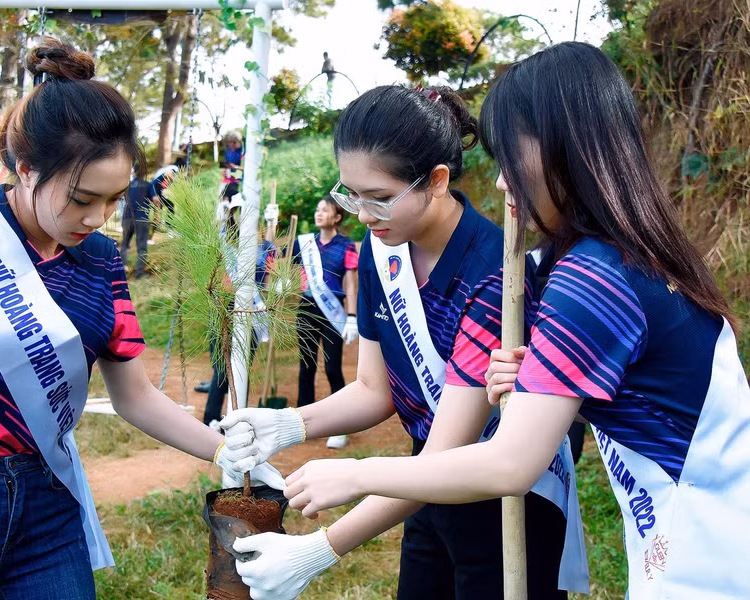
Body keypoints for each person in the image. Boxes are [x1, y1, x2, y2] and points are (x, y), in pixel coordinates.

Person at [246, 42, 750, 599]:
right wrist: (556, 385)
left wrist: (355, 475)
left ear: (567, 152)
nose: (504, 183)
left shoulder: (584, 277)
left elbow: (511, 462)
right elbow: (650, 393)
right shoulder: (621, 255)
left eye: (512, 160)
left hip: (703, 548)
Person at [0, 38, 280, 600]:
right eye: (81, 198)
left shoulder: (101, 259)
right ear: (25, 169)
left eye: (114, 199)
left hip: (49, 492)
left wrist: (220, 451)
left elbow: (133, 394)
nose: (97, 217)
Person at [218, 84, 587, 599]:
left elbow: (450, 449)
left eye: (381, 198)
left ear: (437, 180)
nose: (364, 215)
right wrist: (290, 422)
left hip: (496, 494)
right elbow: (375, 387)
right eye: (351, 194)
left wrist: (319, 549)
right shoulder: (382, 246)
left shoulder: (493, 272)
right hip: (420, 480)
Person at [203, 194, 276, 428]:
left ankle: (236, 419)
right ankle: (212, 419)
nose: (243, 217)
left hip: (250, 311)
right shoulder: (222, 242)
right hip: (224, 308)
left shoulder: (262, 246)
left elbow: (269, 269)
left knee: (243, 367)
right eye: (238, 212)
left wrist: (273, 225)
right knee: (221, 369)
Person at [292, 195, 358, 449]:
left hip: (333, 312)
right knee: (306, 366)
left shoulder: (346, 246)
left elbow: (350, 283)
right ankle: (301, 424)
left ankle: (339, 426)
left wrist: (351, 317)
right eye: (317, 209)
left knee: (332, 369)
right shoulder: (305, 244)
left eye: (324, 210)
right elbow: (293, 271)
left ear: (337, 217)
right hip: (307, 309)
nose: (319, 214)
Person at [120, 171, 153, 278]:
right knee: (142, 246)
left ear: (134, 173)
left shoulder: (128, 185)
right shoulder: (148, 185)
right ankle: (139, 273)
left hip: (127, 217)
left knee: (124, 244)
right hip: (142, 218)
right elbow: (156, 200)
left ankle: (120, 270)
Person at [220, 130, 243, 203]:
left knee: (230, 191)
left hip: (238, 179)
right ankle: (225, 206)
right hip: (228, 178)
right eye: (230, 143)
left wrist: (235, 167)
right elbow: (225, 163)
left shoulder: (243, 151)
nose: (232, 145)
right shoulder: (228, 151)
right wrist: (224, 170)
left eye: (234, 142)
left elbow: (246, 168)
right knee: (222, 193)